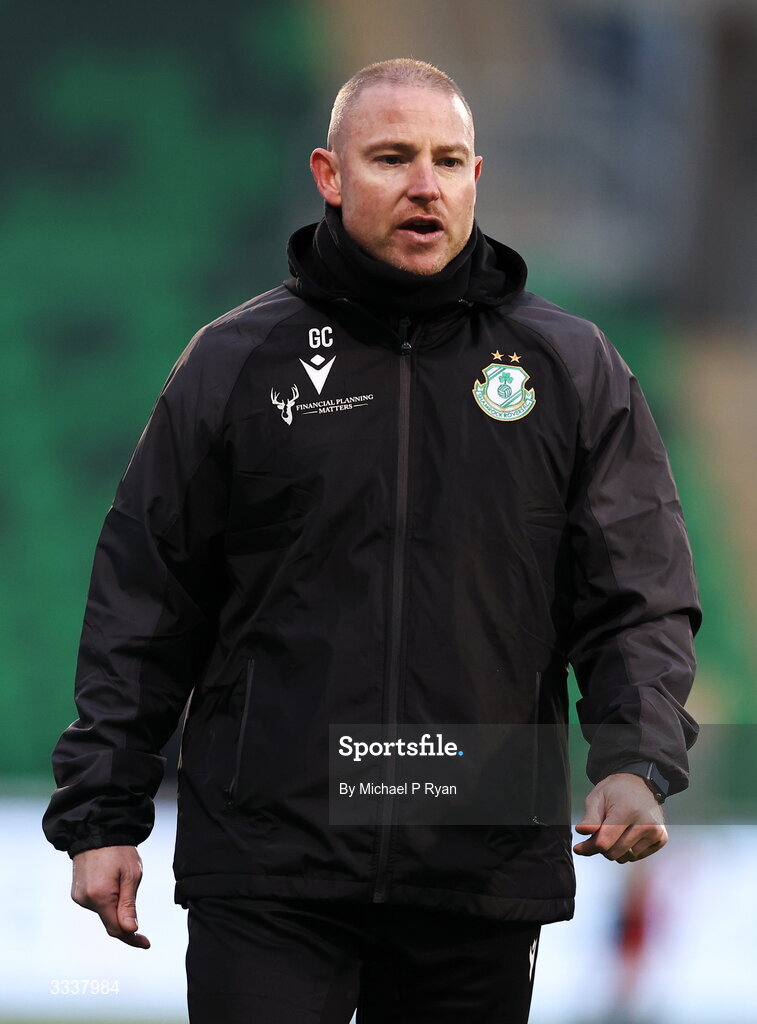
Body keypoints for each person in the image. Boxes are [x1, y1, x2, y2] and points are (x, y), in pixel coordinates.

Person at [43, 58, 700, 1023]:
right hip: (269, 865)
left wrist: (634, 759)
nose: (424, 184)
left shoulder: (568, 368)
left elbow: (637, 591)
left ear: (479, 174)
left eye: (447, 160)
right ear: (329, 174)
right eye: (391, 157)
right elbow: (146, 594)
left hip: (472, 863)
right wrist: (104, 811)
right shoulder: (232, 362)